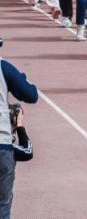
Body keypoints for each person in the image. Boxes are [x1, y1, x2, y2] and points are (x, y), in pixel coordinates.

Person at [1, 40, 39, 219]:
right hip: (2, 147)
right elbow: (31, 94)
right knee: (2, 206)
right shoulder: (3, 67)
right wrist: (20, 126)